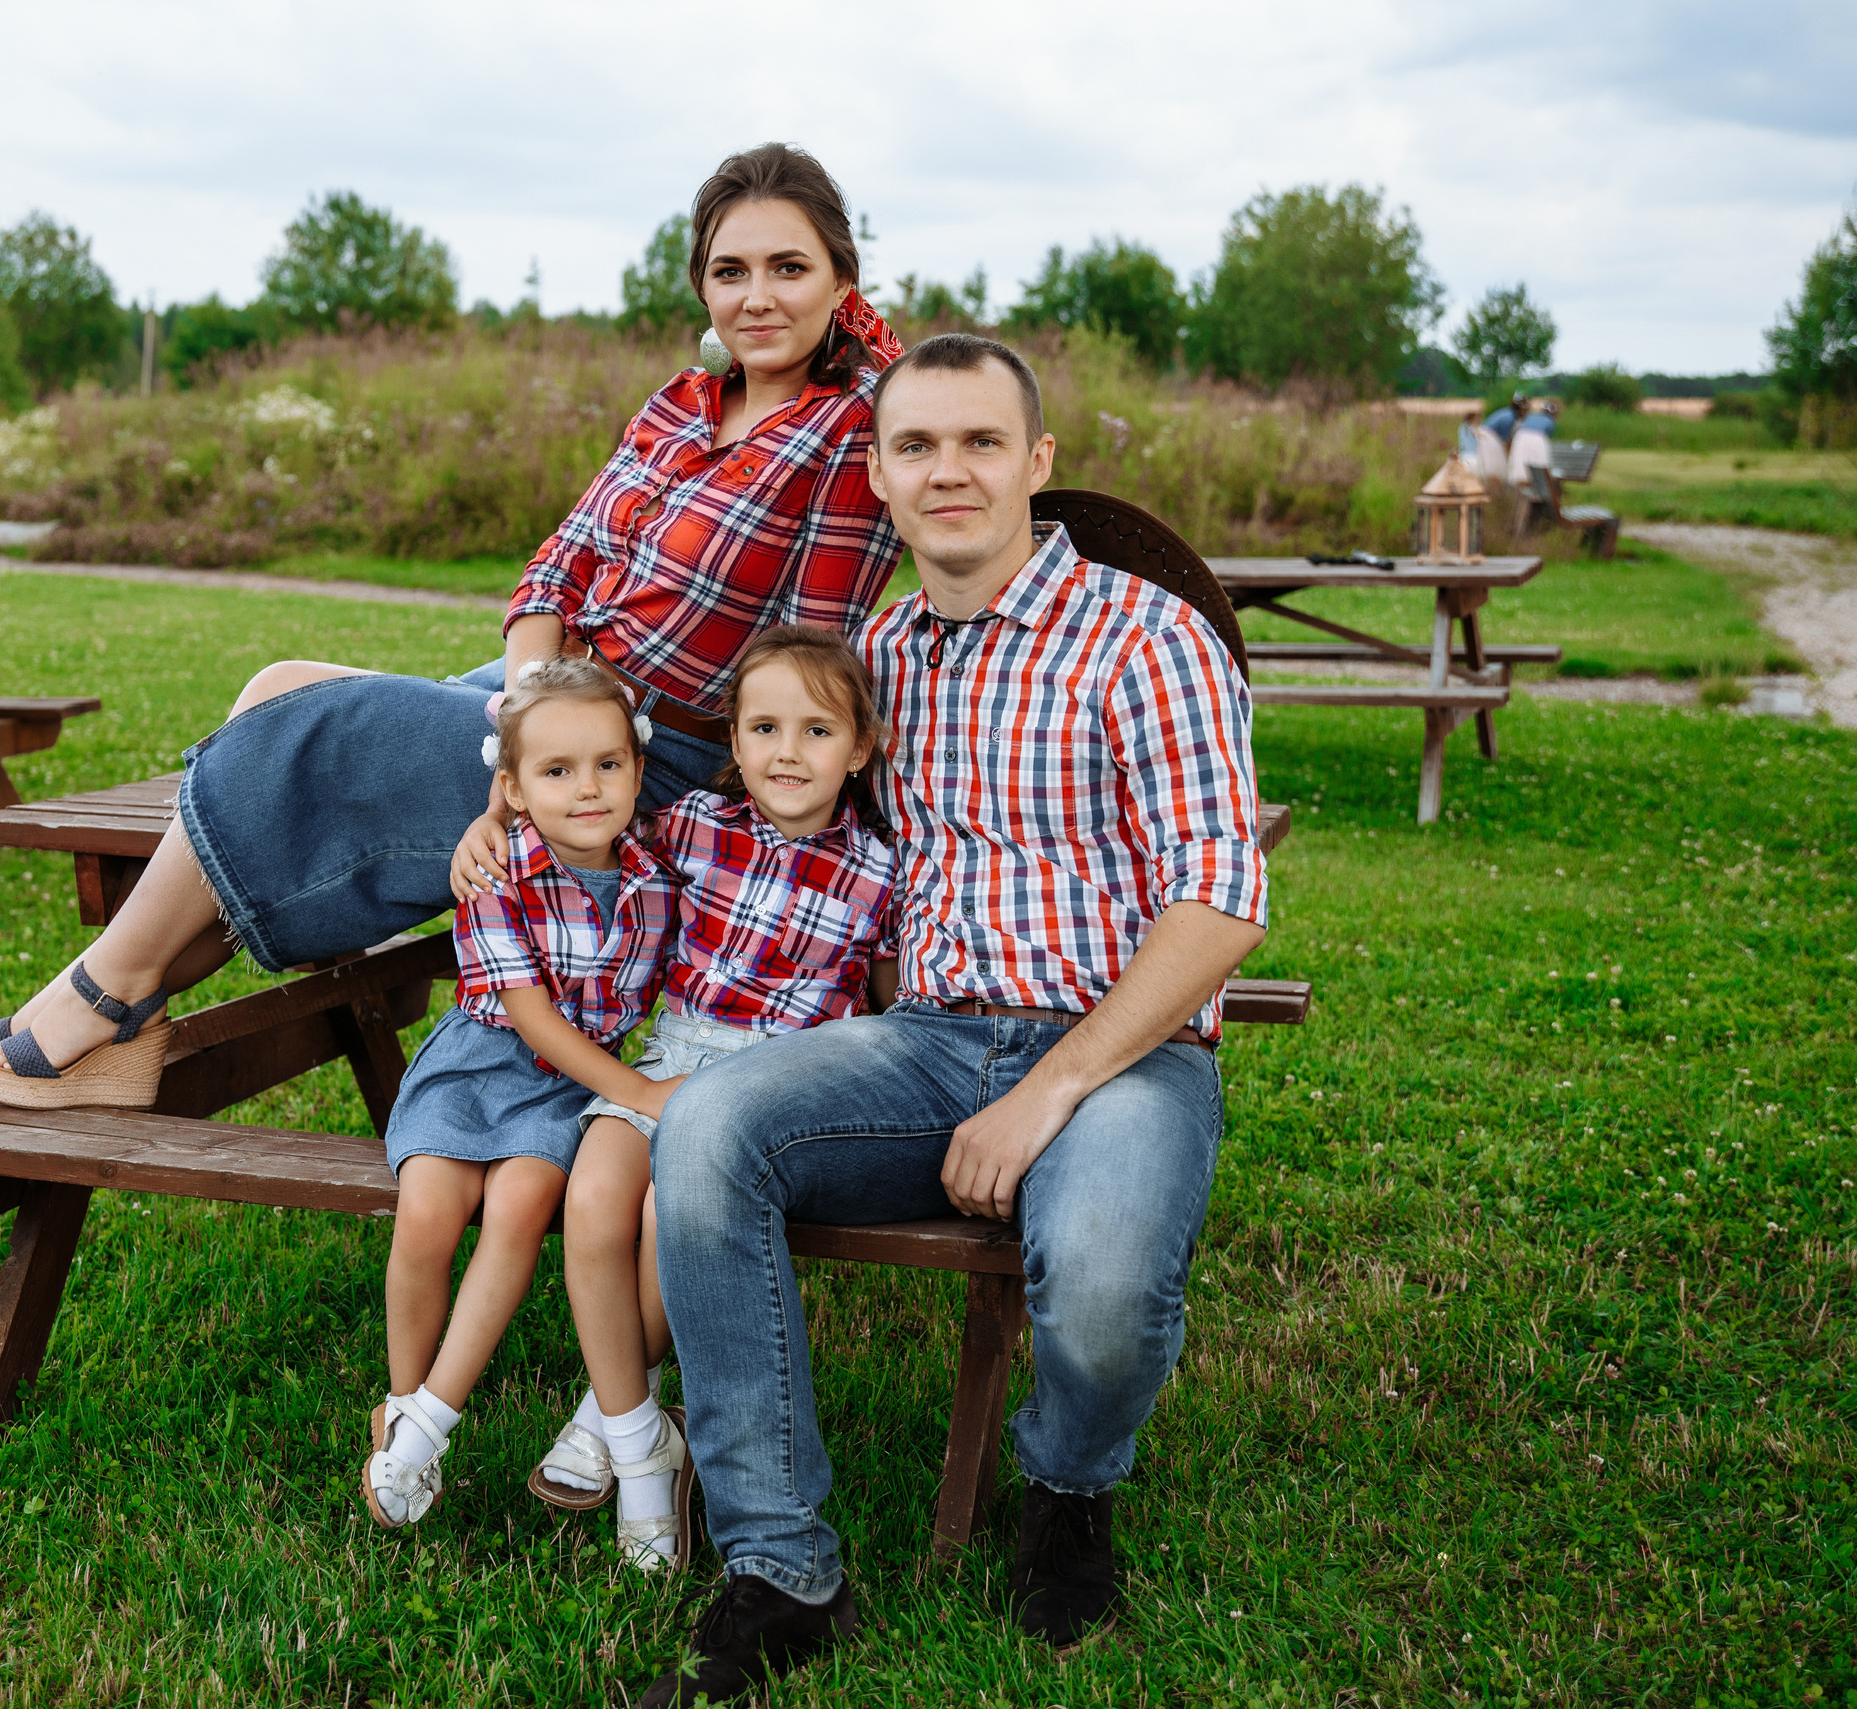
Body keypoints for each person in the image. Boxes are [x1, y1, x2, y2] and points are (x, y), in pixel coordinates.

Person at [0, 141, 906, 1106]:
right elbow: (559, 563)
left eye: (789, 268)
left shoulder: (857, 428)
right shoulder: (680, 404)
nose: (757, 296)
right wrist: (529, 697)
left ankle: (90, 1004)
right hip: (553, 700)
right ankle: (103, 1014)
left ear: (840, 284)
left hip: (655, 760)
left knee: (315, 732)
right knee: (280, 687)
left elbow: (796, 660)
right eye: (731, 271)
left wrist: (561, 732)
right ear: (700, 287)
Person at [631, 333, 1270, 1706]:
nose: (949, 470)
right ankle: (784, 1566)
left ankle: (1066, 1486)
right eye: (917, 445)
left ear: (1037, 464)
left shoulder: (1148, 640)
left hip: (1124, 1058)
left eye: (982, 441)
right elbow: (759, 798)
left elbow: (1219, 906)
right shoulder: (878, 661)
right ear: (880, 473)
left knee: (1099, 1288)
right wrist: (522, 818)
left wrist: (1049, 1091)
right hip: (924, 1043)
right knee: (710, 1130)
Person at [522, 624, 899, 1572]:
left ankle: (618, 1428)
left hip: (786, 1081)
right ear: (733, 740)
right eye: (764, 727)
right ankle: (639, 1424)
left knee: (666, 1220)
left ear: (860, 749)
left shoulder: (882, 870)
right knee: (596, 1201)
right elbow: (578, 833)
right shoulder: (691, 826)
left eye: (817, 731)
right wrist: (494, 824)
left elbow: (892, 1008)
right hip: (675, 1054)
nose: (786, 751)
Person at [360, 656, 678, 1529]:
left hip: (558, 1093)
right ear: (512, 786)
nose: (587, 789)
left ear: (638, 771)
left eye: (608, 765)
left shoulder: (656, 878)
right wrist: (641, 1095)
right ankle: (401, 1402)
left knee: (523, 1201)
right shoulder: (496, 873)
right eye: (556, 770)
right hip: (480, 1063)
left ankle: (435, 1422)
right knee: (428, 1211)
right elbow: (531, 1020)